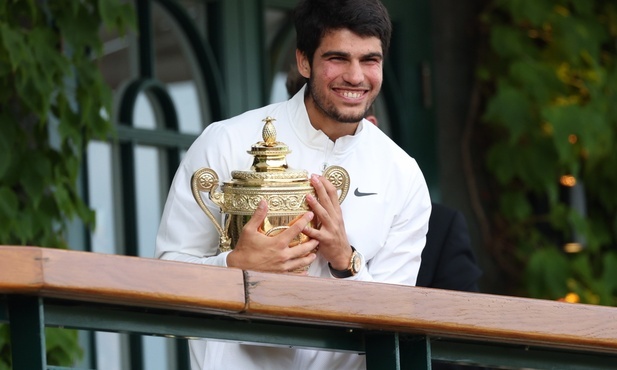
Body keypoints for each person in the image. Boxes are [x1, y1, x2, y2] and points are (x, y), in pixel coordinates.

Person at [155, 0, 432, 369]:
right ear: (304, 61)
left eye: (370, 60)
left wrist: (345, 262)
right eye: (337, 58)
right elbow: (166, 278)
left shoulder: (404, 175)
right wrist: (233, 264)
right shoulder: (226, 141)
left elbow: (395, 317)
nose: (355, 76)